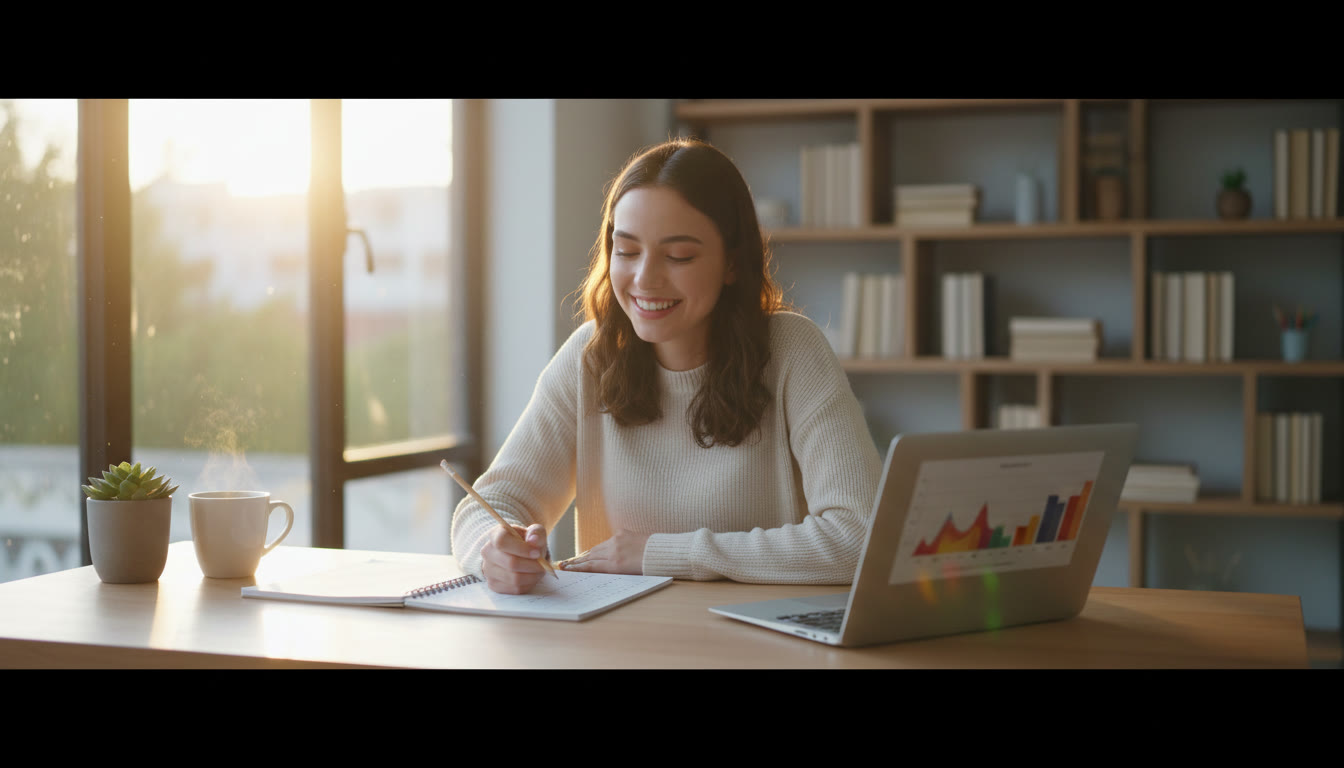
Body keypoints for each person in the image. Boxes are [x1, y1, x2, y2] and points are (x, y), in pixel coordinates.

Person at [450, 137, 882, 594]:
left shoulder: (794, 350)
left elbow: (860, 537)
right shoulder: (590, 357)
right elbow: (488, 503)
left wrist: (660, 553)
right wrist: (495, 550)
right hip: (619, 646)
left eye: (679, 256)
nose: (645, 279)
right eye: (627, 250)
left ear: (732, 263)